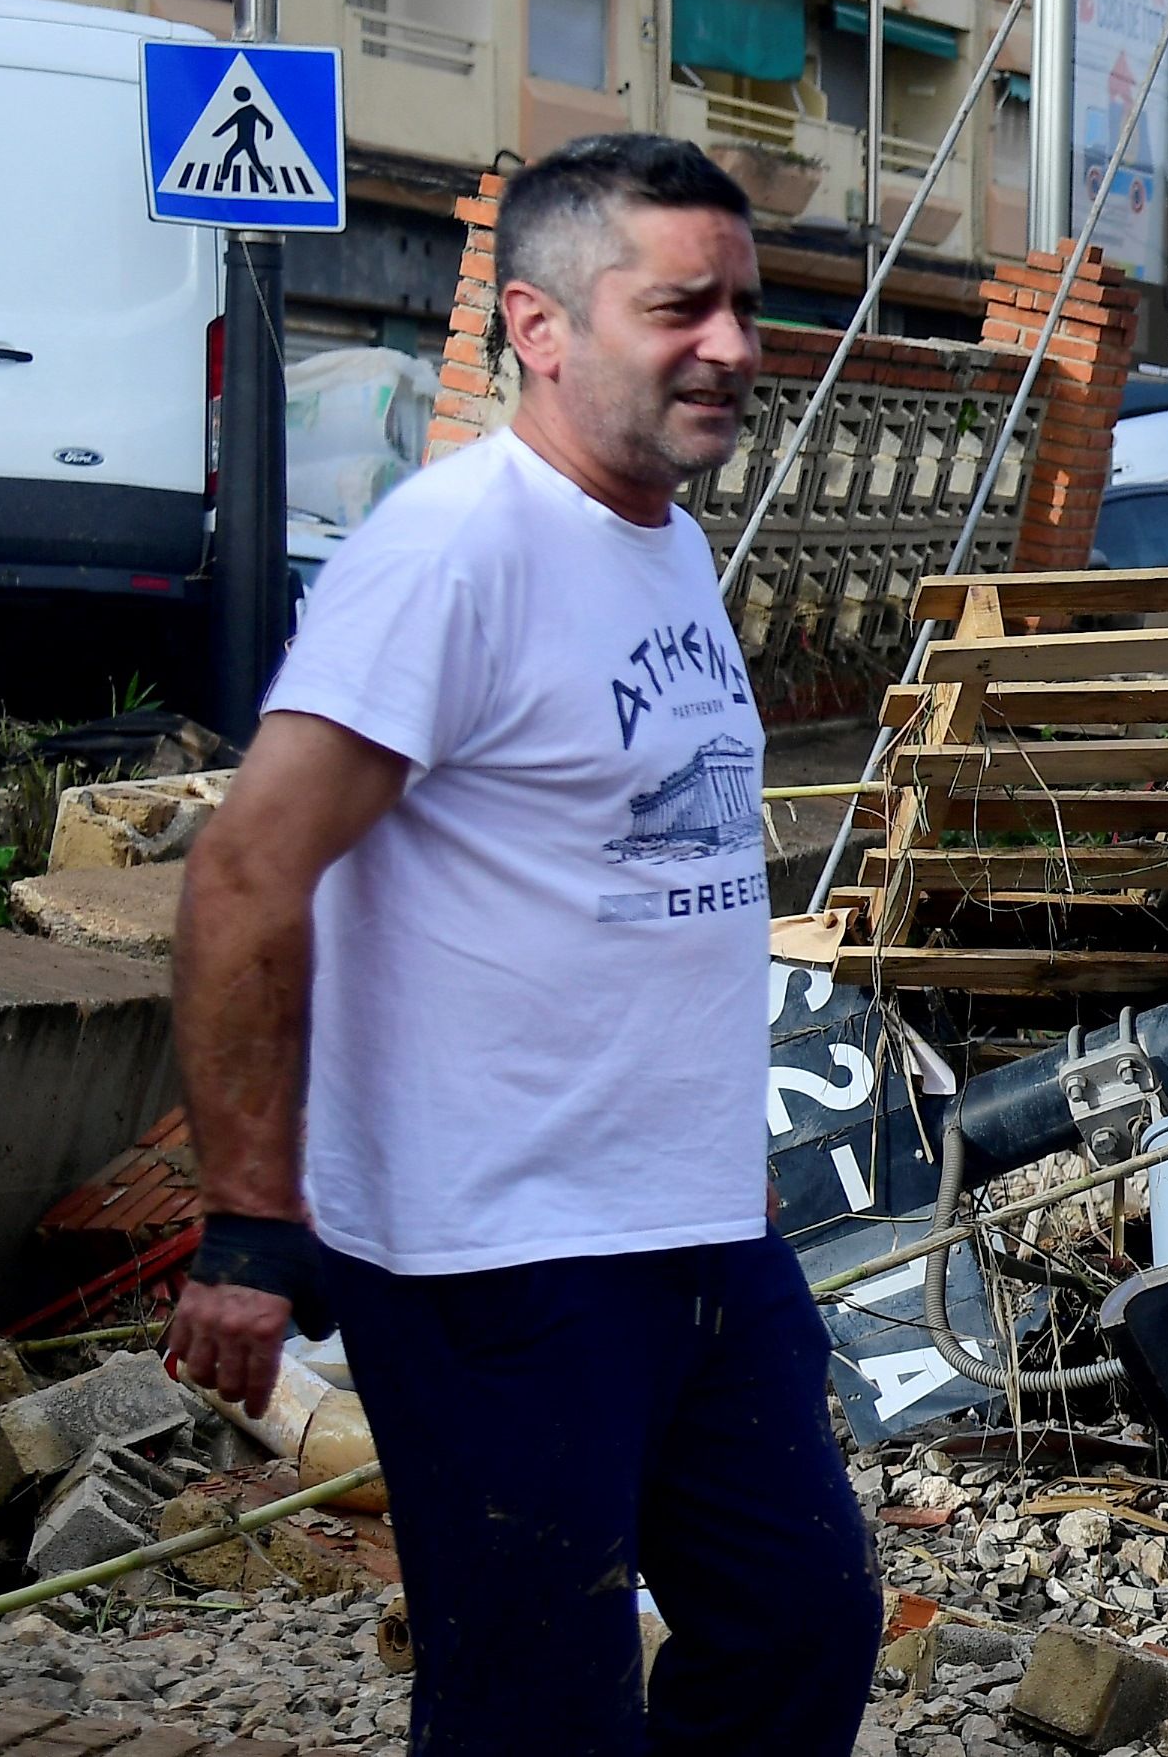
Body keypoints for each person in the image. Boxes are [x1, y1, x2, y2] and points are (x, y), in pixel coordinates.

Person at [163, 135, 881, 1756]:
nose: (731, 345)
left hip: (692, 1226)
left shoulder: (670, 543)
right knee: (535, 1704)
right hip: (494, 1248)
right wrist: (250, 1223)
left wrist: (724, 1144)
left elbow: (651, 878)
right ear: (542, 326)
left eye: (748, 308)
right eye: (679, 306)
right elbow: (245, 878)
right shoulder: (452, 551)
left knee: (800, 1623)